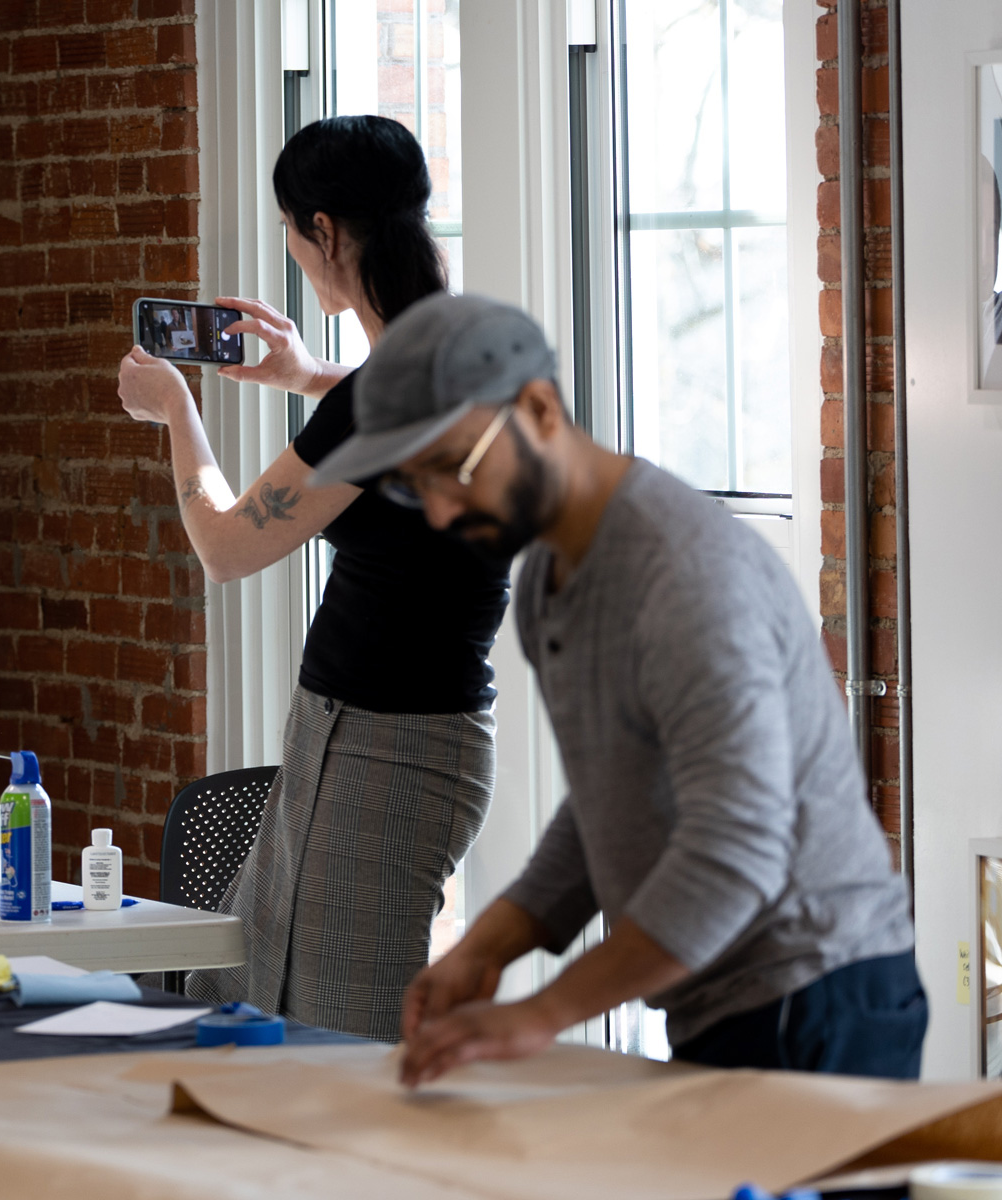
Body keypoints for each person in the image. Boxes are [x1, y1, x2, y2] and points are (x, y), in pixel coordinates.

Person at [299, 291, 922, 1083]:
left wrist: (542, 1013)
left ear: (539, 407)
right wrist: (490, 943)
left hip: (821, 994)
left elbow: (737, 853)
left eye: (453, 468)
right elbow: (613, 798)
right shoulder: (544, 583)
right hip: (728, 999)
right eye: (412, 485)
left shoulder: (684, 578)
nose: (440, 509)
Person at [113, 115, 511, 1040]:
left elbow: (224, 546)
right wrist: (307, 377)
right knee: (264, 990)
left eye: (293, 231)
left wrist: (177, 410)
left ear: (324, 231)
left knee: (341, 1035)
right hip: (397, 738)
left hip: (382, 746)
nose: (295, 252)